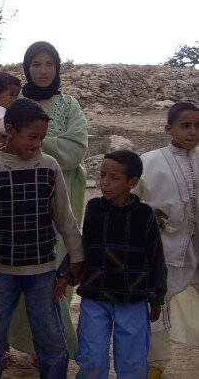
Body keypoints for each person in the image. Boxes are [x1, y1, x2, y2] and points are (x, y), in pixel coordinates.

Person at [0, 41, 88, 359]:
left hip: (57, 197)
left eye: (49, 63)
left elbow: (76, 149)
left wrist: (25, 141)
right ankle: (8, 341)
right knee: (10, 274)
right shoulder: (11, 100)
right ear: (27, 68)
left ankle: (45, 344)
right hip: (12, 204)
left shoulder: (69, 105)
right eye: (36, 64)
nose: (43, 70)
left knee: (51, 275)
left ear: (57, 67)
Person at [74, 150, 166, 379]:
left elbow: (155, 257)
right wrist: (67, 274)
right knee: (91, 357)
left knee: (132, 361)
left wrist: (157, 295)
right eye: (102, 175)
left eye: (113, 178)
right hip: (95, 294)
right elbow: (85, 244)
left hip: (132, 297)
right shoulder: (95, 208)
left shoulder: (144, 215)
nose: (104, 182)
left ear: (132, 182)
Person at [135, 101, 199, 379]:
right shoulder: (150, 162)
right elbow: (129, 201)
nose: (193, 132)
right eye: (185, 126)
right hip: (165, 253)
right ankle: (154, 367)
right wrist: (147, 212)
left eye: (198, 126)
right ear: (168, 128)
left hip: (197, 248)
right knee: (156, 311)